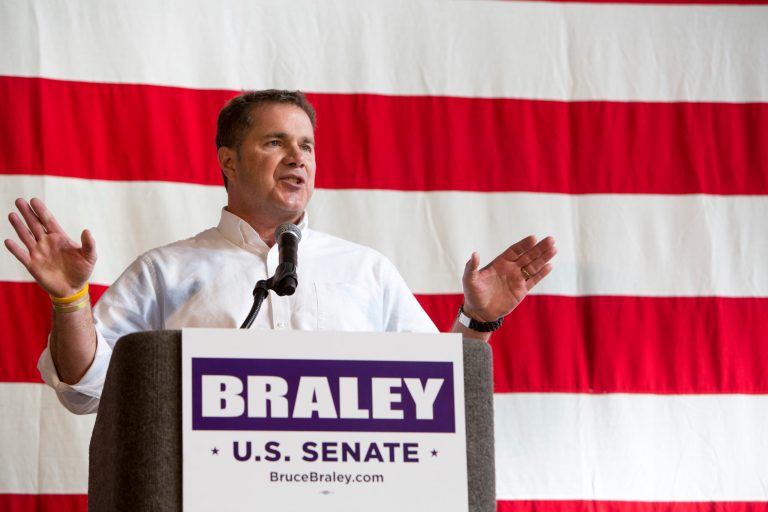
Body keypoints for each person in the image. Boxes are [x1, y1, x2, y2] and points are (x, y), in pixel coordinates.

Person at [5, 90, 557, 414]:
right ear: (228, 161)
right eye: (275, 142)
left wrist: (478, 318)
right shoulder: (164, 271)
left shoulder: (365, 270)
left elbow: (436, 397)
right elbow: (85, 390)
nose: (299, 157)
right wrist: (71, 300)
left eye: (307, 145)